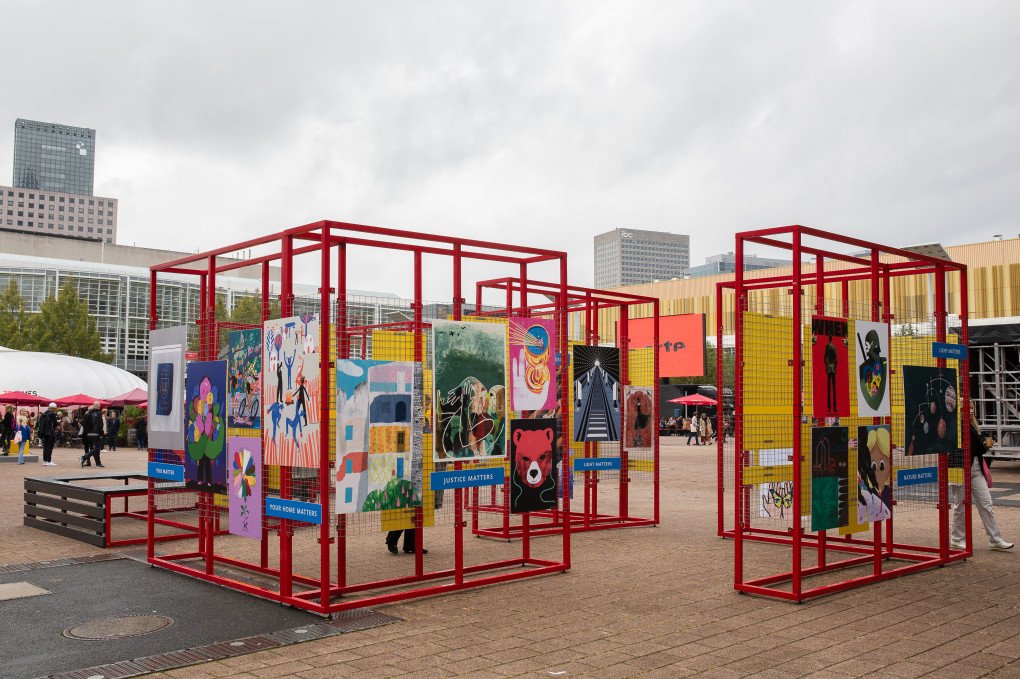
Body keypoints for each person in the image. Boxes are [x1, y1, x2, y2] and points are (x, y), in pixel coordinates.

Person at [951, 406, 1013, 551]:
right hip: (958, 468)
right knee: (960, 505)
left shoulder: (973, 425)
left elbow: (975, 448)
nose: (970, 410)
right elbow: (970, 446)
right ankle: (957, 538)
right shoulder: (956, 425)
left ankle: (995, 540)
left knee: (986, 504)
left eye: (972, 406)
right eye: (966, 407)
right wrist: (983, 444)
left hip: (975, 468)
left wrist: (983, 443)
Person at [81, 401, 106, 468]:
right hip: (96, 433)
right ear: (99, 406)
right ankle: (84, 457)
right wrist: (101, 433)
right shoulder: (98, 413)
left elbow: (84, 424)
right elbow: (100, 424)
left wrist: (88, 432)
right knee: (97, 448)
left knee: (95, 448)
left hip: (89, 434)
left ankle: (98, 463)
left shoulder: (88, 413)